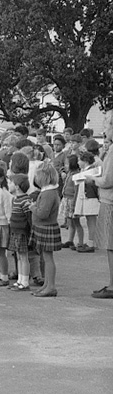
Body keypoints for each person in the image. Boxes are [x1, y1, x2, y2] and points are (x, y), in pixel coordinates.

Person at [90, 110, 113, 298]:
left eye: (106, 126)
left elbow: (107, 180)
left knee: (110, 245)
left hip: (110, 201)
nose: (104, 131)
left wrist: (93, 178)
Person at [29, 164, 62, 297]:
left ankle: (51, 286)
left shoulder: (48, 193)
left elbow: (43, 213)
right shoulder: (48, 191)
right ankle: (47, 284)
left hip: (46, 227)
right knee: (46, 257)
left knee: (48, 258)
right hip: (43, 227)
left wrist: (32, 207)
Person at [7, 174, 33, 291]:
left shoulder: (25, 200)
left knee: (24, 257)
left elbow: (29, 218)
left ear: (17, 186)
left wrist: (31, 232)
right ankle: (20, 280)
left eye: (11, 182)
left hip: (22, 232)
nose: (9, 185)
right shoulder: (16, 199)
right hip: (15, 231)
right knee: (18, 256)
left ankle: (25, 281)